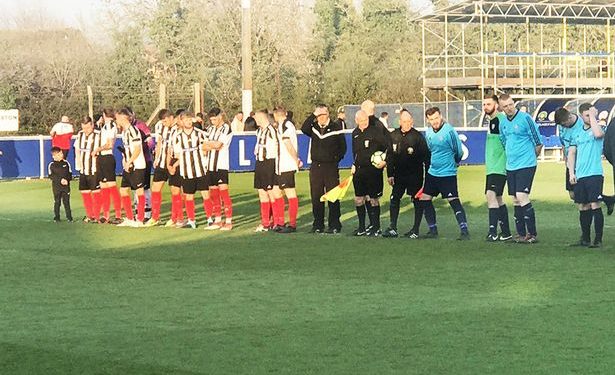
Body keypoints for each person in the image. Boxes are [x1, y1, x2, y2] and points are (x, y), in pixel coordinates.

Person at [418, 107, 470, 240]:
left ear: (440, 116)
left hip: (447, 173)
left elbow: (458, 151)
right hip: (433, 172)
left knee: (453, 200)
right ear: (427, 120)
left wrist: (455, 163)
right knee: (425, 199)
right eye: (431, 119)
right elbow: (431, 149)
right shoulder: (428, 132)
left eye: (436, 118)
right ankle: (433, 230)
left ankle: (464, 230)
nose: (434, 121)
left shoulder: (449, 131)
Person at [498, 94, 542, 243]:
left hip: (527, 164)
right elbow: (504, 141)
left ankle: (532, 234)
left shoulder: (525, 118)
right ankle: (521, 234)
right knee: (516, 199)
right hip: (511, 165)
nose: (509, 108)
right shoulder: (502, 123)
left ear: (514, 103)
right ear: (501, 108)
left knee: (522, 195)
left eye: (511, 104)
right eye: (505, 106)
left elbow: (537, 141)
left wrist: (532, 158)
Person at [556, 106, 615, 214]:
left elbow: (597, 135)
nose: (563, 126)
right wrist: (567, 159)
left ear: (569, 118)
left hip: (584, 164)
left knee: (589, 199)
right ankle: (607, 199)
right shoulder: (562, 127)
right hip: (571, 162)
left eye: (564, 123)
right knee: (573, 195)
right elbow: (564, 143)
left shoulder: (581, 125)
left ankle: (596, 205)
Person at [382, 110, 429, 238]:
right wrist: (390, 174)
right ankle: (393, 227)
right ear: (400, 122)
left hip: (415, 175)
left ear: (412, 121)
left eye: (409, 121)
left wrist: (428, 176)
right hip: (399, 175)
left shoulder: (417, 136)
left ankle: (415, 230)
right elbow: (389, 156)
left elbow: (426, 157)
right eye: (404, 121)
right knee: (394, 198)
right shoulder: (393, 135)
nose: (407, 124)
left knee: (417, 200)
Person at [301, 104, 346, 234]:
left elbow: (342, 147)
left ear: (327, 114)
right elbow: (304, 128)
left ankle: (334, 224)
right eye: (318, 115)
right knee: (316, 197)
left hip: (330, 167)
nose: (321, 117)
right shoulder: (314, 127)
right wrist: (313, 115)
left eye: (323, 114)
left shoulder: (335, 128)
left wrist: (335, 160)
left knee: (333, 196)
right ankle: (318, 224)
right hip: (316, 167)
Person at [567, 104, 606, 248]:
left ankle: (598, 239)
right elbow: (571, 153)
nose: (589, 117)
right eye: (587, 115)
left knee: (595, 204)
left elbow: (598, 135)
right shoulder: (577, 132)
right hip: (581, 174)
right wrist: (572, 172)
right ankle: (585, 238)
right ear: (581, 116)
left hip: (594, 173)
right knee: (583, 206)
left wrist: (594, 116)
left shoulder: (598, 128)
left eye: (591, 114)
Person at [351, 110, 389, 237]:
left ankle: (376, 227)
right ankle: (362, 227)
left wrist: (384, 161)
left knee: (373, 199)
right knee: (359, 199)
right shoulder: (355, 133)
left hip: (373, 170)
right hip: (359, 171)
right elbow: (355, 153)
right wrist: (354, 164)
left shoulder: (375, 131)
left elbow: (387, 146)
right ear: (356, 121)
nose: (364, 123)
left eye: (365, 120)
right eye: (361, 121)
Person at [170, 111, 208, 229]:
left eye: (190, 119)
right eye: (185, 120)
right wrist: (175, 165)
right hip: (186, 171)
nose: (188, 121)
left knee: (206, 194)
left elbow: (206, 149)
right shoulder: (178, 137)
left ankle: (210, 219)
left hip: (200, 169)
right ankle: (192, 221)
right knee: (188, 196)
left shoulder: (200, 134)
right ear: (181, 121)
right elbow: (177, 155)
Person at [483, 95, 512, 242]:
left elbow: (507, 142)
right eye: (484, 104)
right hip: (492, 167)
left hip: (499, 166)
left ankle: (493, 231)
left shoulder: (500, 120)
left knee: (490, 195)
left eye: (489, 104)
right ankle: (506, 232)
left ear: (496, 105)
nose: (485, 107)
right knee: (498, 198)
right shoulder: (491, 121)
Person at [203, 107, 234, 230]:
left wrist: (210, 145)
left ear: (220, 117)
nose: (212, 122)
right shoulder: (210, 129)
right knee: (214, 194)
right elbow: (204, 147)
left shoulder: (226, 128)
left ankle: (228, 221)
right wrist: (211, 145)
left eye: (214, 119)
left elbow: (218, 145)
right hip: (210, 165)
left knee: (224, 193)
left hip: (221, 165)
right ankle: (217, 220)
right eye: (211, 120)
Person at [253, 109, 284, 232]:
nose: (255, 120)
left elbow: (278, 147)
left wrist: (277, 165)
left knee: (272, 193)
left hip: (269, 163)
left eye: (256, 118)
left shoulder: (272, 130)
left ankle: (277, 222)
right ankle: (265, 223)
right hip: (259, 163)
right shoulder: (259, 131)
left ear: (261, 117)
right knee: (262, 193)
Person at [115, 108, 147, 227]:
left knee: (139, 191)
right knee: (123, 190)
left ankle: (140, 219)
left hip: (137, 165)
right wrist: (125, 161)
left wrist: (130, 161)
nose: (116, 120)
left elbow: (138, 149)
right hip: (128, 165)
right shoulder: (124, 132)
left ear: (123, 118)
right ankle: (129, 217)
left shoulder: (133, 131)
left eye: (117, 118)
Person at [145, 109, 175, 227]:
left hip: (172, 162)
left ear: (172, 118)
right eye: (162, 121)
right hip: (161, 163)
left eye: (165, 120)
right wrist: (156, 159)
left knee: (175, 191)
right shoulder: (159, 127)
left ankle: (175, 217)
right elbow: (159, 144)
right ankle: (155, 217)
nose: (163, 123)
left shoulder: (178, 128)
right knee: (156, 189)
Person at [273, 106, 300, 233]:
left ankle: (292, 224)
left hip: (287, 165)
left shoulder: (286, 125)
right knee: (278, 192)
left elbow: (288, 143)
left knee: (290, 193)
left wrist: (296, 159)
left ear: (277, 115)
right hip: (281, 165)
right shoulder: (282, 125)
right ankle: (280, 222)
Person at [93, 108, 123, 224]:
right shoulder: (104, 126)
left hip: (107, 158)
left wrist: (97, 149)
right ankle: (105, 215)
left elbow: (109, 144)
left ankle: (118, 215)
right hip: (101, 158)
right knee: (104, 188)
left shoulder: (110, 126)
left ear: (104, 115)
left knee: (111, 187)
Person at [74, 116, 103, 223]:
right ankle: (89, 215)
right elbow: (77, 149)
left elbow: (104, 148)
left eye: (87, 127)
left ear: (92, 125)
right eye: (83, 127)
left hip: (94, 169)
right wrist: (78, 164)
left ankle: (96, 215)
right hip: (83, 169)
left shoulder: (98, 135)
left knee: (96, 192)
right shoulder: (80, 134)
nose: (85, 130)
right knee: (85, 193)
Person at [48, 147, 73, 222]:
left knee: (66, 202)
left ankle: (69, 218)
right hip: (56, 187)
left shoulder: (66, 163)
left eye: (62, 153)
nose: (62, 155)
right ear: (54, 155)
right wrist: (60, 180)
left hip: (66, 187)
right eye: (60, 154)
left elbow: (70, 174)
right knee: (57, 202)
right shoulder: (51, 165)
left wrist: (67, 180)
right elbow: (51, 176)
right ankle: (57, 217)